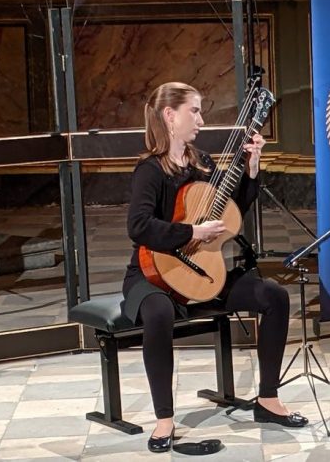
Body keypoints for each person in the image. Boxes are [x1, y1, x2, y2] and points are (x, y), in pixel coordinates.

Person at [123, 81, 308, 453]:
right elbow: (138, 226)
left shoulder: (203, 163)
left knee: (273, 295)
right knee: (158, 312)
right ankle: (164, 420)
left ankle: (267, 399)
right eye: (195, 111)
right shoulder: (150, 171)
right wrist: (191, 230)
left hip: (204, 273)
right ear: (169, 116)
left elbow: (228, 213)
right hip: (154, 275)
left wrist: (251, 169)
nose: (202, 120)